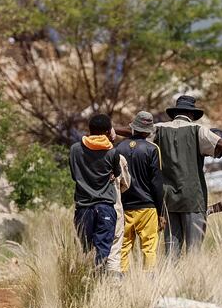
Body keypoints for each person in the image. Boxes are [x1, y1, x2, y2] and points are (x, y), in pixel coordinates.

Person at [154, 96, 222, 255]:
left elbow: (136, 132)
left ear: (175, 113)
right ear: (192, 114)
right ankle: (192, 278)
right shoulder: (197, 130)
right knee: (194, 250)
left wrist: (111, 128)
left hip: (168, 198)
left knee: (171, 249)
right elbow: (219, 143)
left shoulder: (159, 129)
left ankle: (169, 278)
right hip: (193, 198)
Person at [68, 113, 122, 268]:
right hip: (105, 207)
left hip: (83, 207)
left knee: (84, 250)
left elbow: (74, 175)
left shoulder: (75, 149)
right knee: (103, 251)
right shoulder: (112, 152)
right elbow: (116, 173)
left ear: (89, 129)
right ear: (107, 131)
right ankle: (99, 285)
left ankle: (85, 283)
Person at [115, 111, 164, 272]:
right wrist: (161, 211)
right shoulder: (152, 149)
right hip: (147, 206)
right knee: (149, 248)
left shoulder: (119, 147)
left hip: (125, 205)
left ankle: (120, 282)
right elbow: (156, 183)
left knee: (123, 247)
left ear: (133, 128)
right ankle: (148, 284)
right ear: (148, 131)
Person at [106, 151, 130, 275]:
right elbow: (126, 184)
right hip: (114, 207)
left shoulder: (79, 152)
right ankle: (113, 286)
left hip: (86, 207)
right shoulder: (118, 157)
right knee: (114, 250)